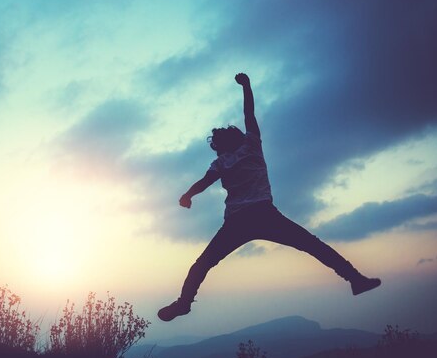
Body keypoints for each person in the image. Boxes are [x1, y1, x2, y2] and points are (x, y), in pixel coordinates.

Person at [158, 73, 381, 322]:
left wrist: (188, 196)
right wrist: (246, 86)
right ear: (237, 137)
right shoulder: (251, 145)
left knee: (202, 265)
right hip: (264, 214)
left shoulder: (220, 162)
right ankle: (355, 279)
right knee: (313, 245)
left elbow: (204, 182)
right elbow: (249, 114)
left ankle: (183, 303)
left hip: (237, 221)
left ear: (219, 146)